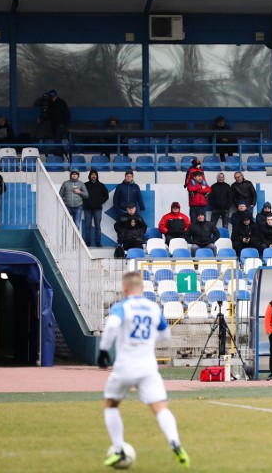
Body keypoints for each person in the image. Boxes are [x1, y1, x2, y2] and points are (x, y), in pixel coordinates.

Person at [98, 272, 189, 469]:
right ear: (142, 288)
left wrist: (104, 349)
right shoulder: (153, 307)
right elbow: (165, 334)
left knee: (111, 405)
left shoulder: (122, 307)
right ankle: (175, 443)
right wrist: (146, 341)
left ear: (125, 289)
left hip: (125, 365)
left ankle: (118, 450)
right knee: (160, 407)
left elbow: (112, 325)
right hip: (148, 366)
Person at [35, 89, 71, 156]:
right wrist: (41, 119)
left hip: (60, 125)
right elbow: (46, 113)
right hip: (54, 125)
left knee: (58, 139)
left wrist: (64, 124)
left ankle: (59, 155)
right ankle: (60, 154)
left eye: (53, 97)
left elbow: (67, 115)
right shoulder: (50, 104)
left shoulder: (61, 103)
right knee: (56, 140)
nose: (52, 99)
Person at [82, 169, 109, 247]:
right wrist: (86, 202)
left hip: (97, 209)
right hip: (87, 209)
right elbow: (82, 195)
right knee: (87, 226)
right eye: (92, 174)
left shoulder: (101, 185)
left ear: (97, 176)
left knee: (98, 226)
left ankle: (98, 242)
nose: (93, 176)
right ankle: (88, 242)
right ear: (90, 176)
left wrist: (99, 202)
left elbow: (106, 196)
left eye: (95, 175)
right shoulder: (85, 185)